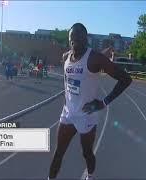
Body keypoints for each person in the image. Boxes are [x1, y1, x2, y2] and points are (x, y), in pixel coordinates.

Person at [48, 23, 132, 180]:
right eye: (72, 38)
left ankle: (91, 176)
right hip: (68, 114)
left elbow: (126, 79)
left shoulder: (95, 58)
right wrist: (68, 100)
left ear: (86, 39)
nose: (74, 42)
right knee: (59, 152)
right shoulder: (66, 57)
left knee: (86, 153)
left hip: (86, 116)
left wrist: (103, 102)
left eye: (78, 38)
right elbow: (67, 82)